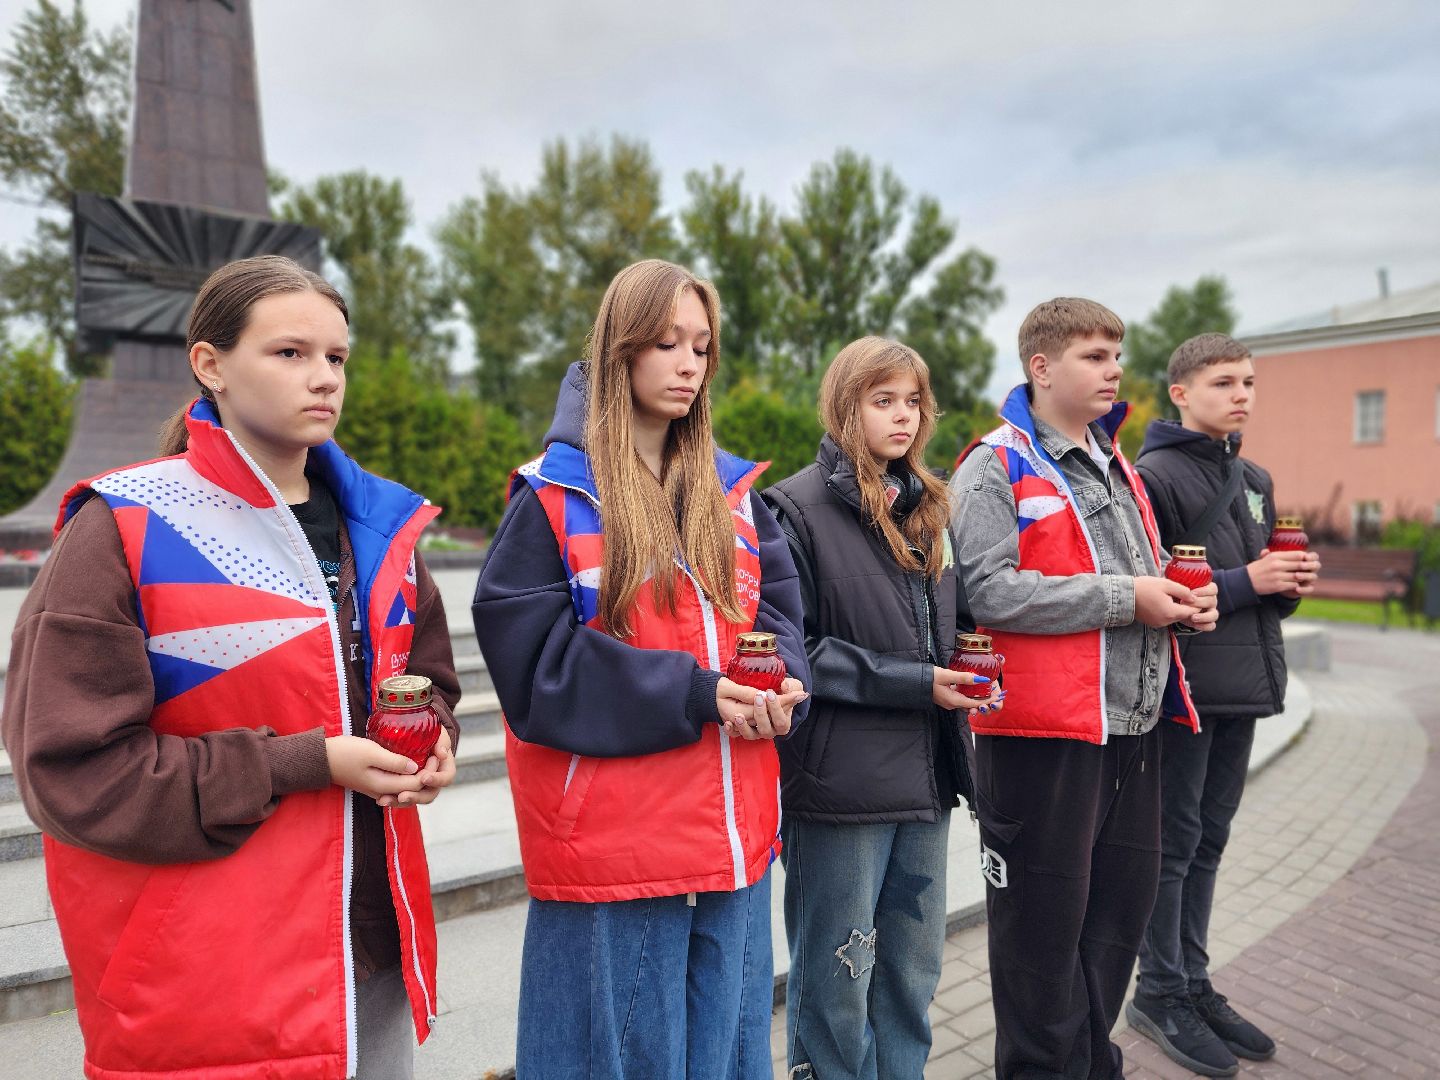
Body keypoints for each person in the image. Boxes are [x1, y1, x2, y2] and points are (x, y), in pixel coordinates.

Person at [1, 255, 461, 1080]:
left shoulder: (383, 527)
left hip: (371, 955)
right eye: (290, 353)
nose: (322, 377)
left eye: (336, 358)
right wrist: (305, 761)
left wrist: (434, 742)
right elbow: (70, 771)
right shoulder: (124, 526)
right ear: (210, 365)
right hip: (207, 975)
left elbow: (427, 679)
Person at [471, 259, 810, 1079]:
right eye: (666, 342)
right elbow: (535, 666)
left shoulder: (737, 497)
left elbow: (780, 614)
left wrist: (785, 681)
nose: (690, 363)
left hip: (732, 836)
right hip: (614, 848)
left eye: (702, 346)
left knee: (728, 1063)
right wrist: (696, 694)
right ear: (618, 350)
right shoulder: (552, 497)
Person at [947, 297, 1220, 1080]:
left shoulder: (1116, 462)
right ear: (1041, 367)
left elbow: (1145, 576)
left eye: (1117, 355)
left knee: (1114, 929)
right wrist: (1127, 596)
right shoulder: (994, 465)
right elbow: (989, 592)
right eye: (1094, 356)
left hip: (1131, 729)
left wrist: (1179, 599)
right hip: (1043, 741)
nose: (1114, 370)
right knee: (1041, 943)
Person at [762, 337, 1002, 1080]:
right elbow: (793, 650)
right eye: (883, 400)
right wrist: (917, 681)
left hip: (928, 777)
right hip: (841, 786)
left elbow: (942, 625)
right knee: (838, 983)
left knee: (910, 977)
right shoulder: (792, 508)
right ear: (844, 406)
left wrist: (966, 663)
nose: (904, 417)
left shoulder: (929, 507)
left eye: (913, 402)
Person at [1126, 333, 1321, 1076]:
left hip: (1241, 691)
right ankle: (1158, 991)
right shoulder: (1152, 478)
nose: (1240, 393)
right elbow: (1161, 594)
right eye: (1221, 382)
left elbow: (1261, 594)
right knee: (1173, 848)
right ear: (1180, 392)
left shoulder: (1254, 475)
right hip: (1185, 693)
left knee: (1209, 841)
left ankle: (1195, 983)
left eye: (1247, 381)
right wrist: (1253, 580)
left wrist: (1286, 583)